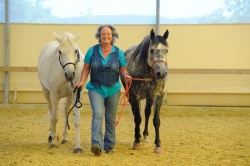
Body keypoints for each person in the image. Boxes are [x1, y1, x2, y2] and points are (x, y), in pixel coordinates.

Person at [76, 24, 131, 156]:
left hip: (113, 89)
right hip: (96, 88)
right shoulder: (92, 51)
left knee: (110, 118)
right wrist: (82, 81)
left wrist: (126, 75)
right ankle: (96, 144)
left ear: (112, 37)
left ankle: (109, 146)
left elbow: (123, 69)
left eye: (108, 34)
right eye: (103, 34)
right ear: (99, 37)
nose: (106, 36)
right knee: (98, 114)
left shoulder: (119, 52)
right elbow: (86, 69)